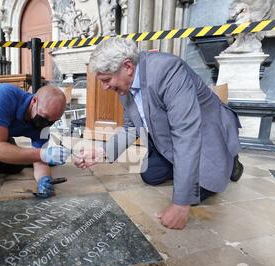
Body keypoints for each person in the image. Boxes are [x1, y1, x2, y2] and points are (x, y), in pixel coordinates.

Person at [74, 38, 244, 229]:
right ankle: (183, 167)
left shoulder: (168, 71)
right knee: (150, 175)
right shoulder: (124, 87)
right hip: (170, 135)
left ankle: (230, 161)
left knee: (193, 194)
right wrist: (102, 151)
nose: (105, 87)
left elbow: (186, 133)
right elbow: (131, 127)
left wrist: (180, 204)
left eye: (106, 80)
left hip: (206, 131)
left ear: (128, 66)